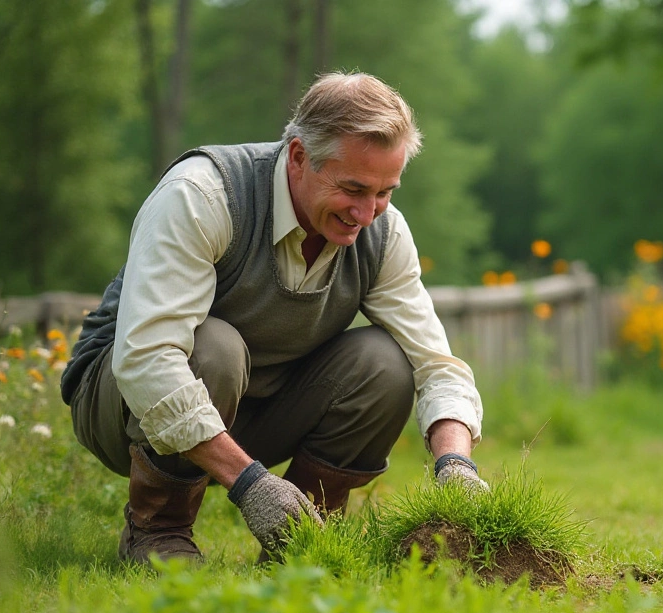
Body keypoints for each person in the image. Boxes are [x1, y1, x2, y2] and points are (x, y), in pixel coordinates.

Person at [60, 72, 486, 564]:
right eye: (352, 188)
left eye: (385, 191)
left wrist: (456, 464)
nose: (367, 213)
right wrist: (251, 484)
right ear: (300, 156)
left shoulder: (382, 231)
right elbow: (146, 360)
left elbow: (435, 363)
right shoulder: (202, 194)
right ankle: (159, 531)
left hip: (258, 405)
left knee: (385, 364)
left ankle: (300, 539)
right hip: (121, 402)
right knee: (214, 347)